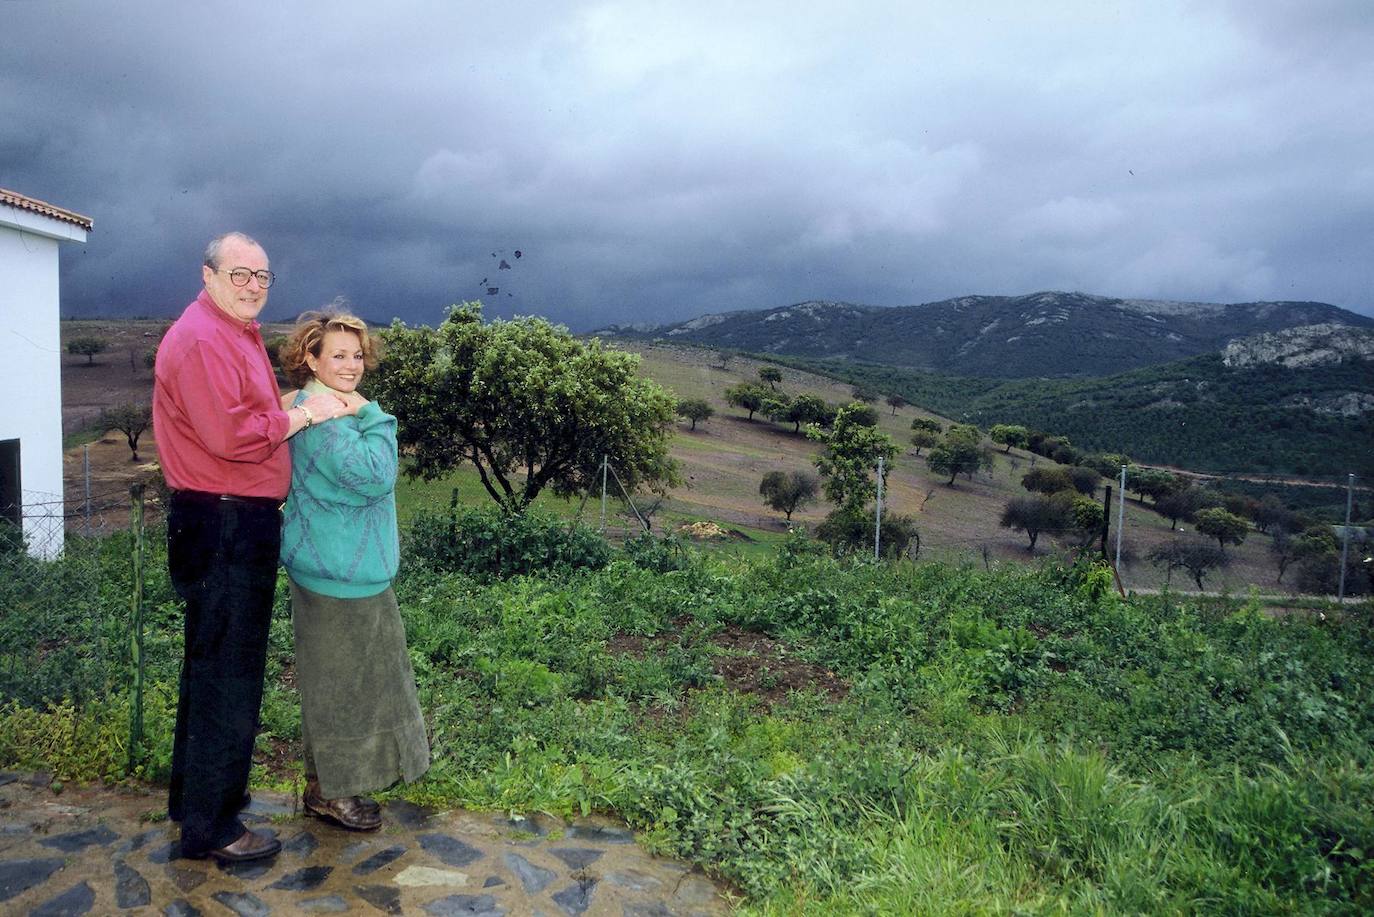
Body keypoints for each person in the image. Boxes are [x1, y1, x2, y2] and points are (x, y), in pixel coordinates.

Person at [153, 232, 352, 863]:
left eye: (262, 276)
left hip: (222, 521)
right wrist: (308, 416)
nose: (253, 286)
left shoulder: (228, 333)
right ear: (207, 274)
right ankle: (214, 827)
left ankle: (196, 807)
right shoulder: (203, 338)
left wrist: (308, 399)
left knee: (211, 668)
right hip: (226, 525)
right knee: (228, 676)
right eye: (241, 274)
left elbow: (249, 408)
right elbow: (233, 434)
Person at [277, 309, 429, 830]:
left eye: (357, 355)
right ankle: (331, 792)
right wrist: (373, 412)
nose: (351, 365)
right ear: (310, 359)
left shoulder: (323, 409)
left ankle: (328, 787)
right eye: (337, 355)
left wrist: (358, 409)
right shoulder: (323, 415)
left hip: (351, 569)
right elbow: (375, 474)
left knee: (352, 683)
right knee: (341, 688)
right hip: (335, 573)